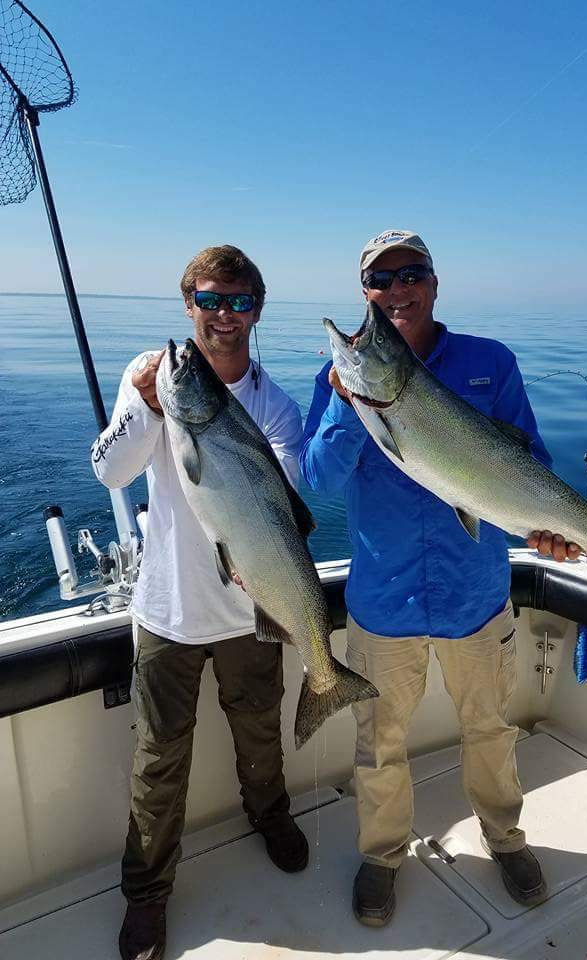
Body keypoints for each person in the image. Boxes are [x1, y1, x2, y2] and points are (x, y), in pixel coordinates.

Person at [300, 230, 580, 926]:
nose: (396, 291)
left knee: (491, 730)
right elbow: (315, 480)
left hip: (476, 597)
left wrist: (546, 526)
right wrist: (346, 400)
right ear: (365, 291)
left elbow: (530, 463)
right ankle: (382, 855)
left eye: (410, 275)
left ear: (434, 282)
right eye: (381, 281)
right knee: (379, 745)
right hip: (384, 602)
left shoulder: (490, 362)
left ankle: (506, 840)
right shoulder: (341, 382)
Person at [92, 246, 309, 960]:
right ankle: (147, 895)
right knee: (157, 760)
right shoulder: (153, 377)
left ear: (258, 311)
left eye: (239, 302)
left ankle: (270, 816)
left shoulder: (275, 407)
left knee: (260, 737)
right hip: (165, 611)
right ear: (189, 304)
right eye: (210, 301)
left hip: (250, 612)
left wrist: (259, 564)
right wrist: (149, 409)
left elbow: (284, 506)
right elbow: (110, 471)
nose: (223, 316)